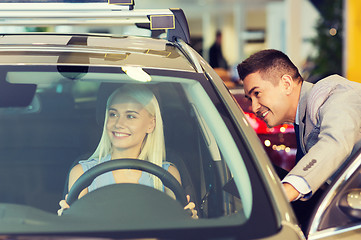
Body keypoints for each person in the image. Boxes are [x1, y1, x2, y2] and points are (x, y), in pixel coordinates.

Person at [237, 49, 361, 225]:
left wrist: (284, 192)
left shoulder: (336, 95)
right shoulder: (302, 123)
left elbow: (336, 142)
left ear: (286, 84)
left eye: (257, 94)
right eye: (250, 99)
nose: (254, 107)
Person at [58, 85, 197, 218]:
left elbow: (171, 230)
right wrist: (68, 224)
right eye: (113, 114)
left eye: (130, 116)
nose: (118, 124)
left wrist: (188, 222)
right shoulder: (82, 173)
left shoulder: (167, 174)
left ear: (151, 124)